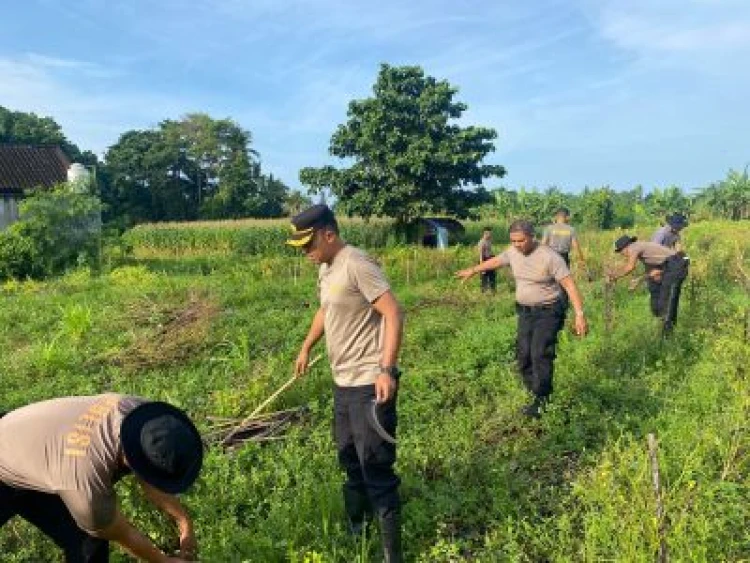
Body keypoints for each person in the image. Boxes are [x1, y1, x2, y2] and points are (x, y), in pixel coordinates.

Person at [288, 204, 405, 563]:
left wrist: (386, 368)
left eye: (309, 246)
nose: (306, 254)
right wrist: (307, 346)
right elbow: (326, 309)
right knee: (350, 459)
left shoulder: (357, 263)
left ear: (328, 234)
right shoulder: (326, 268)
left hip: (369, 383)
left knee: (375, 466)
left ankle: (391, 555)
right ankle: (359, 530)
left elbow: (393, 312)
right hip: (342, 382)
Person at [0, 393, 203, 562]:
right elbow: (123, 533)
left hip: (36, 448)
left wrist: (184, 523)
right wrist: (164, 562)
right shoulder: (86, 485)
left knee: (88, 545)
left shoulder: (142, 417)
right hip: (7, 460)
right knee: (94, 526)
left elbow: (153, 475)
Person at [456, 220, 588, 418]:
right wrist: (474, 270)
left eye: (521, 241)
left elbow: (569, 285)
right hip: (525, 312)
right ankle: (533, 392)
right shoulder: (512, 251)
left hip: (549, 311)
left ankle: (542, 399)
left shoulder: (550, 257)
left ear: (532, 237)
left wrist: (579, 315)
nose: (517, 245)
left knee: (539, 353)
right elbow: (497, 261)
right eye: (513, 241)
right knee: (523, 354)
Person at [606, 235, 690, 334]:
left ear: (625, 247)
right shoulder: (643, 251)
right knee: (660, 302)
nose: (622, 255)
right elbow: (654, 272)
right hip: (673, 264)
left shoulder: (634, 247)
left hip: (677, 263)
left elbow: (630, 267)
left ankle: (668, 334)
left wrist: (614, 276)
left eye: (621, 252)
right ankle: (665, 329)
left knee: (667, 301)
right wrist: (638, 280)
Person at [477, 227, 496, 293]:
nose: (490, 235)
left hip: (490, 259)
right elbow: (481, 255)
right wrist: (482, 266)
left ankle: (493, 291)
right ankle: (483, 292)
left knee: (492, 275)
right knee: (484, 277)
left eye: (491, 233)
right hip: (484, 260)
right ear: (485, 234)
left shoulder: (489, 240)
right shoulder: (481, 242)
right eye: (489, 234)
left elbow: (490, 251)